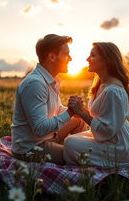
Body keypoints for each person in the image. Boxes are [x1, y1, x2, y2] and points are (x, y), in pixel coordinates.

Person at [11, 34, 86, 164]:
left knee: (78, 120)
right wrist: (70, 112)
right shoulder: (35, 84)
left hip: (49, 137)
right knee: (82, 156)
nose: (70, 58)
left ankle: (73, 147)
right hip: (32, 148)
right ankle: (73, 154)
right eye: (66, 54)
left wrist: (78, 111)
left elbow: (55, 110)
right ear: (52, 57)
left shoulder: (52, 80)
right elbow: (40, 129)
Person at [64, 42, 129, 167]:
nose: (87, 59)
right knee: (72, 141)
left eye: (92, 55)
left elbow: (106, 130)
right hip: (108, 137)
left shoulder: (113, 90)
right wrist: (80, 110)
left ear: (106, 60)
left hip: (121, 146)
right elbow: (102, 116)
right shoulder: (101, 83)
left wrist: (81, 113)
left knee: (70, 143)